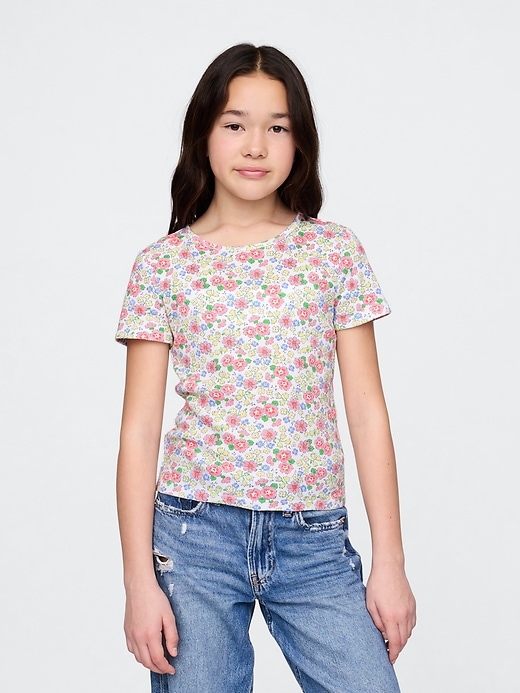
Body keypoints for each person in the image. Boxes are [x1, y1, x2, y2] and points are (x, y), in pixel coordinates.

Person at [115, 43, 416, 693]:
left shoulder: (333, 251)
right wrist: (139, 580)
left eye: (277, 127)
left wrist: (389, 561)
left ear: (299, 140)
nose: (255, 145)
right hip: (195, 535)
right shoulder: (162, 266)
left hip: (313, 537)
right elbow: (139, 432)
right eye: (235, 124)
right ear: (203, 134)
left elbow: (367, 413)